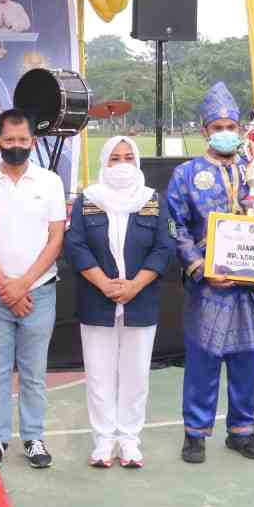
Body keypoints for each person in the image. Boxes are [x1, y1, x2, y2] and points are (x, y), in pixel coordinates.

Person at [166, 82, 254, 464]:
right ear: (204, 131)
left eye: (230, 126)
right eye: (216, 127)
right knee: (204, 357)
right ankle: (195, 433)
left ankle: (242, 431)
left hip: (253, 286)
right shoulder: (187, 174)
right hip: (210, 286)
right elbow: (176, 226)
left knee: (247, 357)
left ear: (240, 129)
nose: (224, 133)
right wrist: (200, 268)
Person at [67, 136, 175, 467]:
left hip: (140, 300)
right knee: (99, 374)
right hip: (97, 300)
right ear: (104, 162)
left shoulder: (152, 201)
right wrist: (103, 283)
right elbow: (76, 245)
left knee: (135, 374)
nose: (122, 164)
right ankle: (103, 441)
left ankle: (129, 440)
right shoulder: (87, 200)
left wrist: (135, 285)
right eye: (115, 158)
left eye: (129, 157)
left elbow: (163, 247)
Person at [0, 109, 65, 469]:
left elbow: (56, 237)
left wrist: (23, 285)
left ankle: (33, 437)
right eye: (8, 141)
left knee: (33, 370)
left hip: (39, 291)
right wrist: (4, 287)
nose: (16, 147)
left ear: (34, 142)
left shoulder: (50, 182)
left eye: (22, 141)